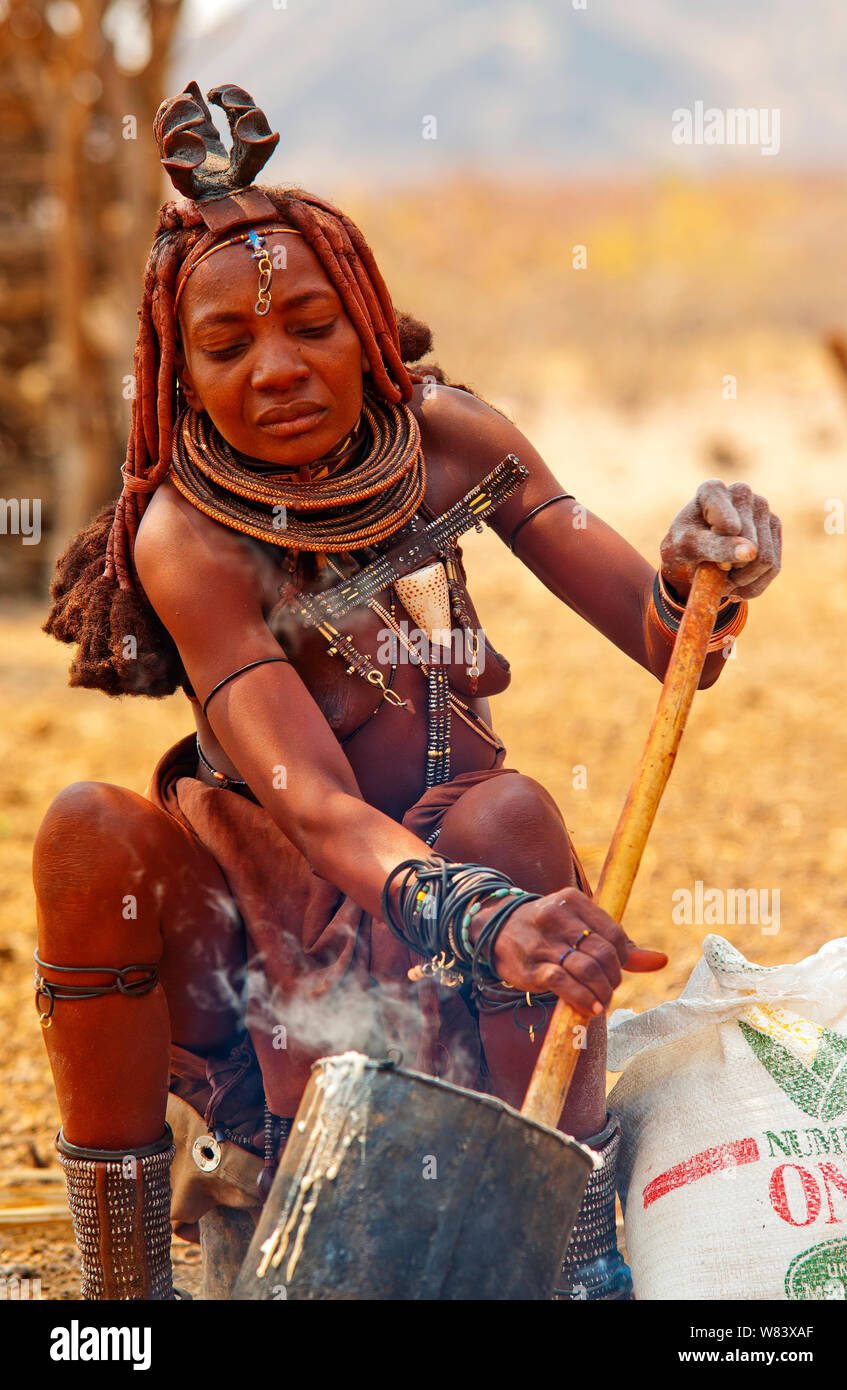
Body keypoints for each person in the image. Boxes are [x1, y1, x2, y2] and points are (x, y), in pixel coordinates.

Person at [33, 82, 781, 1301]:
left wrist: (707, 570)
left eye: (312, 326)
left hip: (467, 883)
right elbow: (318, 810)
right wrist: (482, 916)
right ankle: (125, 1298)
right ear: (180, 373)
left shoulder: (453, 443)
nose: (275, 369)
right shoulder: (186, 534)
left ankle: (571, 1255)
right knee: (85, 836)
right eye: (227, 348)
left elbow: (672, 644)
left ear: (370, 325)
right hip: (277, 907)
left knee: (509, 816)